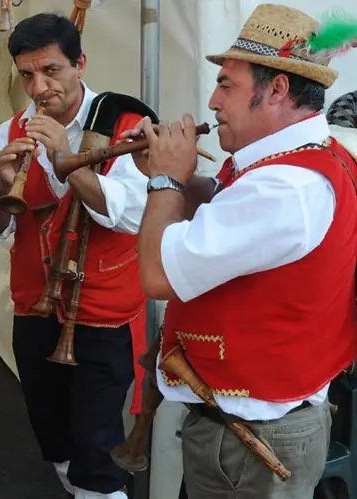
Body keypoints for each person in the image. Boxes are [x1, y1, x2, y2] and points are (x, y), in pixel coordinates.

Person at [128, 4, 357, 498]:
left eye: (226, 85)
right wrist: (177, 177)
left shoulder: (285, 186)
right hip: (249, 432)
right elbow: (223, 203)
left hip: (251, 442)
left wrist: (165, 180)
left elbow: (157, 276)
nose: (213, 101)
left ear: (277, 89)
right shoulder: (297, 161)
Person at [0, 13, 152, 499]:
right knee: (55, 441)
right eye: (27, 75)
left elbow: (130, 214)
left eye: (51, 71)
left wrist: (65, 159)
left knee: (97, 450)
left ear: (80, 64)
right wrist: (3, 187)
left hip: (103, 313)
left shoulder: (125, 122)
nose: (39, 88)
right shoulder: (11, 130)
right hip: (35, 307)